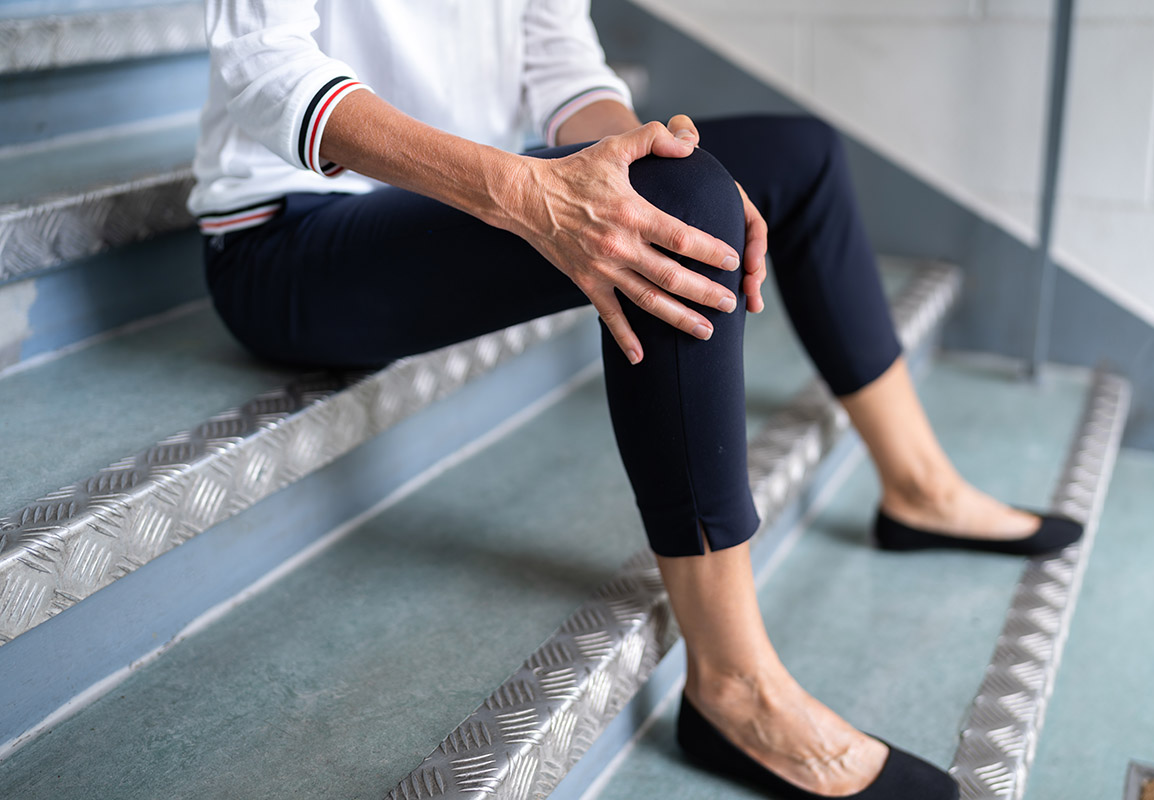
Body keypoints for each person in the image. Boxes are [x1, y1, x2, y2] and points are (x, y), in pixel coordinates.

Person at [189, 1, 1081, 797]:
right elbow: (268, 67)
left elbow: (562, 57)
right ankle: (733, 685)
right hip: (289, 242)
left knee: (789, 157)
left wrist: (644, 160)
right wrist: (534, 192)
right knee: (678, 202)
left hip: (474, 196)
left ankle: (918, 487)